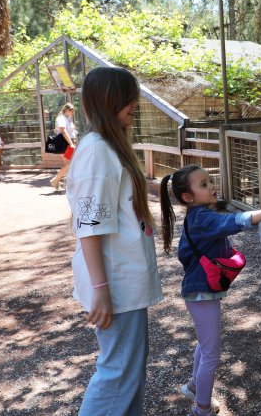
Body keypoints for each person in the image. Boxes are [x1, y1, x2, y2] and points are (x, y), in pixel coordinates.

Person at [65, 67, 162, 415]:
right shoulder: (98, 151)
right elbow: (88, 226)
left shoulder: (109, 146)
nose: (134, 104)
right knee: (118, 372)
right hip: (115, 282)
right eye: (125, 97)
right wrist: (101, 287)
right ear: (106, 101)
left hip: (123, 278)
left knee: (129, 371)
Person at [159, 165, 261, 416]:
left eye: (210, 181)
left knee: (205, 345)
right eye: (204, 185)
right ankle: (202, 409)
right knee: (211, 355)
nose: (212, 187)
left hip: (199, 292)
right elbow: (235, 221)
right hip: (200, 293)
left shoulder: (199, 215)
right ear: (188, 197)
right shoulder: (202, 218)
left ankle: (194, 387)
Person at [50, 102, 78, 190]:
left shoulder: (67, 118)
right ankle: (56, 180)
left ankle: (61, 181)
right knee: (68, 164)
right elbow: (64, 131)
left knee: (69, 163)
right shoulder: (61, 118)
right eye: (71, 111)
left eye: (73, 111)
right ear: (66, 110)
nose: (72, 113)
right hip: (65, 144)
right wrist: (71, 144)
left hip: (68, 143)